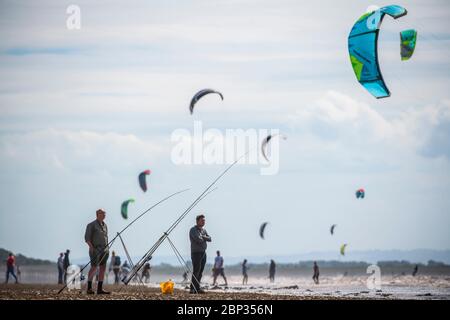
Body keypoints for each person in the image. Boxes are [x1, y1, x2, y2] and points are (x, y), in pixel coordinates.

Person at [85, 208, 110, 294]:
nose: (104, 215)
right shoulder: (91, 225)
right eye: (102, 213)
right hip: (95, 250)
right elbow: (87, 238)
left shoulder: (105, 225)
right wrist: (91, 247)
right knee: (94, 267)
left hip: (105, 250)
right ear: (97, 214)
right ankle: (89, 288)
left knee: (103, 268)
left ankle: (100, 289)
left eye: (104, 213)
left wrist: (107, 248)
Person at [189, 214, 211, 294]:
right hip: (196, 253)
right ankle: (192, 288)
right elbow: (198, 239)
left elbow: (210, 238)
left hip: (203, 253)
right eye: (202, 220)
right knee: (196, 270)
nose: (203, 222)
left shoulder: (204, 230)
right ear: (197, 221)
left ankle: (197, 288)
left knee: (201, 271)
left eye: (204, 220)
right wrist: (204, 238)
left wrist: (203, 237)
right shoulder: (193, 230)